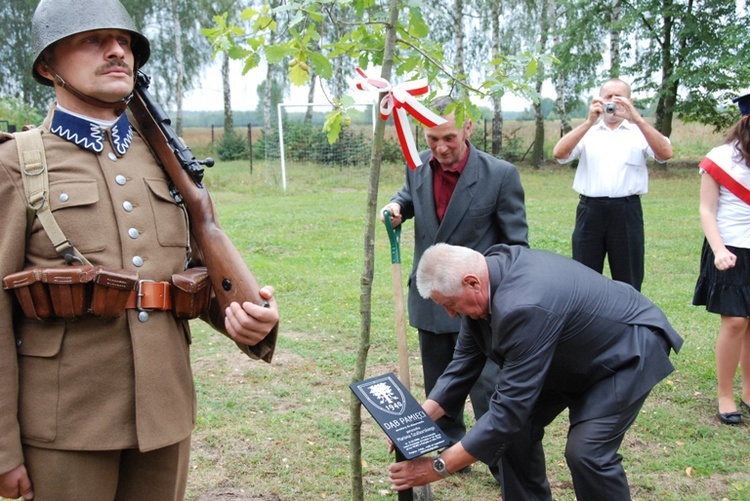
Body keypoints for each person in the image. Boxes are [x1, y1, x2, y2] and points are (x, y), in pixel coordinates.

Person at [0, 1, 279, 499]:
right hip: (67, 424)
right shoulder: (16, 165)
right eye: (92, 40)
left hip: (164, 411)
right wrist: (2, 449)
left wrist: (245, 318)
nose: (116, 52)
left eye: (124, 41)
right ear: (48, 66)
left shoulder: (165, 165)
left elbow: (189, 271)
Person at [388, 243, 683, 500]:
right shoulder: (486, 278)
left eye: (451, 304)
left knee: (587, 452)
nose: (450, 314)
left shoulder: (524, 306)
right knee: (513, 436)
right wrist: (415, 421)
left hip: (625, 351)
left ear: (472, 282)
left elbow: (508, 412)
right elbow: (461, 366)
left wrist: (439, 466)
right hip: (569, 353)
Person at [379, 95, 528, 481]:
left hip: (476, 302)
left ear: (468, 127)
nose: (440, 148)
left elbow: (517, 248)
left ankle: (498, 459)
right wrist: (398, 208)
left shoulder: (500, 175)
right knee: (439, 380)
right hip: (433, 298)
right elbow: (410, 196)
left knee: (486, 385)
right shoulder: (418, 168)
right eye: (431, 140)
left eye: (448, 138)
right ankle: (449, 445)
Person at [553, 78, 674, 291]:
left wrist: (638, 119)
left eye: (619, 97)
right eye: (608, 97)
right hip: (590, 210)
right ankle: (587, 323)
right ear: (598, 99)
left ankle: (629, 323)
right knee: (584, 278)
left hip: (626, 211)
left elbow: (665, 153)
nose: (613, 102)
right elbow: (559, 153)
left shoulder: (639, 132)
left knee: (629, 278)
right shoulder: (588, 131)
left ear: (630, 101)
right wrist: (589, 121)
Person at [692, 92, 750, 425]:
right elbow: (707, 209)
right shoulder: (721, 158)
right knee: (736, 322)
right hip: (730, 248)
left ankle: (748, 392)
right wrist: (718, 250)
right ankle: (725, 394)